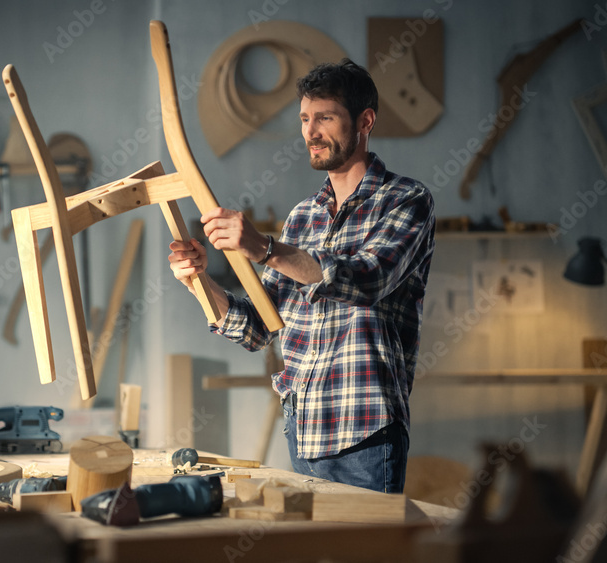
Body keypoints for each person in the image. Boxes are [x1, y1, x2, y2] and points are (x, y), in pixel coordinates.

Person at [168, 58, 435, 493]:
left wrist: (265, 249)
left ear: (365, 121)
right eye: (305, 119)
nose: (310, 133)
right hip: (304, 428)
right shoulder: (302, 217)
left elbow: (366, 280)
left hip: (364, 431)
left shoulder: (405, 200)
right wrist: (197, 281)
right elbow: (258, 327)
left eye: (325, 118)